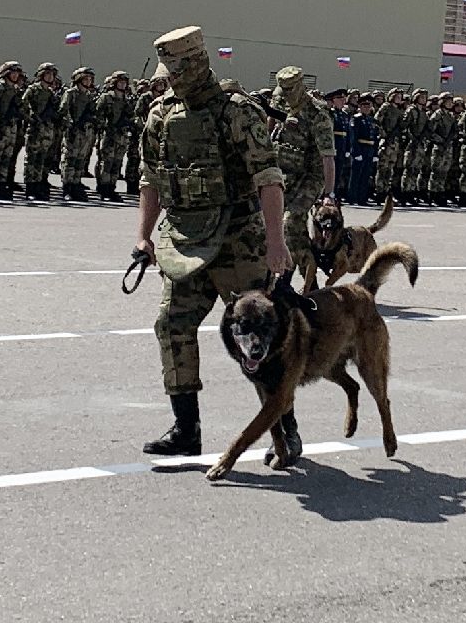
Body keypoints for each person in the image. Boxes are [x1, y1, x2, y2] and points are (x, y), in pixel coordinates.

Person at [136, 26, 292, 459]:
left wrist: (276, 242)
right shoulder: (160, 114)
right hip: (185, 241)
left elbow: (268, 178)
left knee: (262, 338)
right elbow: (151, 179)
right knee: (172, 325)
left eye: (181, 67)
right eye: (170, 68)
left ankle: (285, 428)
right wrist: (143, 238)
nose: (174, 76)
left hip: (238, 240)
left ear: (199, 62)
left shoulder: (235, 111)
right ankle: (187, 429)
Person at [270, 66, 336, 288]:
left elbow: (328, 158)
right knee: (283, 227)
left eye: (290, 89)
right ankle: (312, 280)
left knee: (292, 220)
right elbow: (270, 130)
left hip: (310, 176)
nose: (286, 93)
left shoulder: (318, 114)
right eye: (283, 89)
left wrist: (328, 193)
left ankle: (286, 278)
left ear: (300, 86)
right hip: (284, 172)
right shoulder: (279, 101)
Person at [21, 62, 59, 201]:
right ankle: (30, 188)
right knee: (32, 159)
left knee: (43, 160)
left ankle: (40, 185)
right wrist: (32, 118)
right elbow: (23, 105)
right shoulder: (33, 90)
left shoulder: (50, 92)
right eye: (47, 74)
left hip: (47, 130)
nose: (50, 77)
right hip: (36, 129)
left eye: (52, 75)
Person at [0, 61, 24, 201]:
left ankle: (2, 183)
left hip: (11, 128)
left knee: (6, 158)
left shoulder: (14, 89)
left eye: (17, 73)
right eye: (12, 72)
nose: (15, 75)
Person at [94, 71, 134, 203]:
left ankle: (112, 187)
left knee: (117, 163)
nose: (122, 85)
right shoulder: (106, 98)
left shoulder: (125, 99)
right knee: (106, 162)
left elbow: (131, 116)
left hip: (121, 136)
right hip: (108, 135)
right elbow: (97, 115)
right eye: (120, 82)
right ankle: (104, 188)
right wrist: (106, 126)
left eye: (124, 83)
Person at [59, 67, 96, 202]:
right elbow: (63, 110)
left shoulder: (88, 95)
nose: (88, 81)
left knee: (80, 160)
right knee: (69, 160)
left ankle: (76, 184)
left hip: (85, 132)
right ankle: (67, 187)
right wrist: (71, 124)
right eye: (86, 79)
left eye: (90, 79)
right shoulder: (71, 93)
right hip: (73, 131)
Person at [398, 88, 430, 205]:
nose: (424, 99)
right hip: (411, 144)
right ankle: (405, 193)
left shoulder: (423, 112)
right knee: (409, 169)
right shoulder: (411, 110)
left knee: (416, 169)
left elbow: (427, 128)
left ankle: (411, 192)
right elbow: (404, 126)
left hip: (420, 143)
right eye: (421, 97)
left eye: (425, 97)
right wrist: (411, 137)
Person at [426, 91, 456, 206]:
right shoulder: (438, 115)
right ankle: (432, 193)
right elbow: (430, 130)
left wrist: (449, 140)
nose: (450, 104)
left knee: (444, 172)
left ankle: (440, 192)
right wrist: (440, 140)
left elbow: (454, 130)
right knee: (436, 171)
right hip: (439, 146)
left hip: (447, 146)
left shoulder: (450, 116)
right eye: (448, 101)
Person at [373, 88, 404, 200]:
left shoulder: (400, 111)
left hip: (394, 142)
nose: (399, 99)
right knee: (382, 167)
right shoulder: (386, 107)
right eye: (397, 96)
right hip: (386, 141)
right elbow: (377, 121)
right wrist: (384, 134)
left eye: (400, 97)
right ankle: (379, 190)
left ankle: (386, 191)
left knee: (390, 168)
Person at [348, 94, 378, 205]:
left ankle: (362, 198)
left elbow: (375, 137)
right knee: (356, 175)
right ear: (360, 107)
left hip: (369, 150)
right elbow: (353, 137)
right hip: (360, 148)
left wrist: (375, 153)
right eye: (364, 106)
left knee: (366, 175)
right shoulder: (356, 119)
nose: (367, 108)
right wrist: (356, 152)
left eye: (369, 106)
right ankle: (352, 197)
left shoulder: (371, 120)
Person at [324, 89, 351, 201]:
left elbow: (348, 133)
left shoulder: (344, 115)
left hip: (342, 146)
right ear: (333, 100)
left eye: (343, 99)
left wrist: (348, 148)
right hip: (333, 144)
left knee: (338, 171)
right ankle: (326, 194)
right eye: (339, 99)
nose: (342, 101)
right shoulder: (330, 113)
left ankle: (334, 193)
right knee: (329, 171)